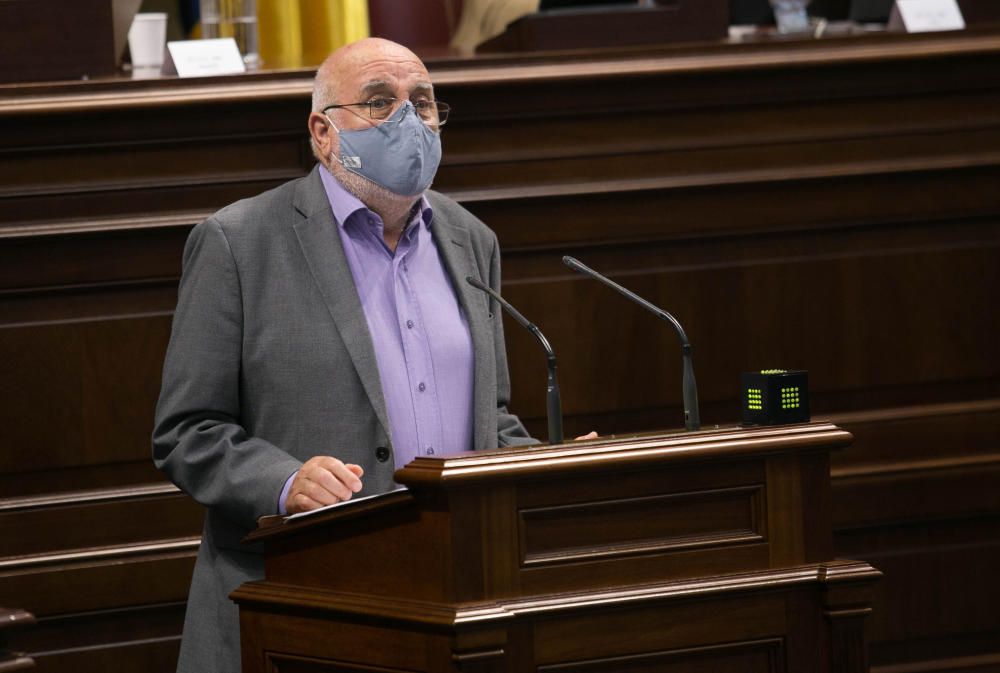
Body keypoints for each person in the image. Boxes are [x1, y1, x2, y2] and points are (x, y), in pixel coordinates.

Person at [152, 37, 540, 673]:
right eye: (381, 103)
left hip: (450, 605)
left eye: (423, 103)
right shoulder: (238, 244)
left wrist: (555, 466)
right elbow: (187, 432)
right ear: (322, 131)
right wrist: (282, 481)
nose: (410, 122)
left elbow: (488, 421)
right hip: (298, 604)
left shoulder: (472, 240)